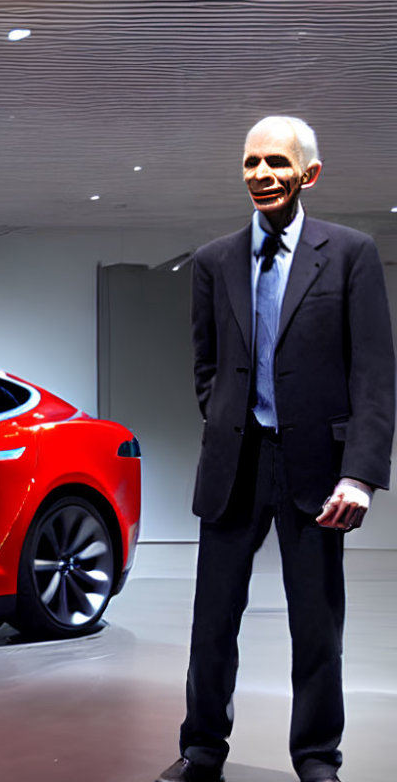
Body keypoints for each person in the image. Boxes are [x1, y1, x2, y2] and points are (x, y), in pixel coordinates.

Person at [156, 115, 395, 782]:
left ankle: (317, 757)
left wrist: (361, 475)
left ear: (308, 174)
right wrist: (231, 420)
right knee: (212, 623)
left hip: (318, 469)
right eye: (252, 162)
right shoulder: (212, 260)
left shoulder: (350, 254)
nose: (262, 175)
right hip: (237, 463)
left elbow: (375, 372)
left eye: (277, 164)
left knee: (317, 625)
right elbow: (207, 367)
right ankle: (202, 747)